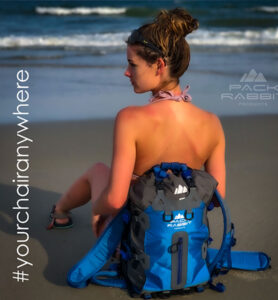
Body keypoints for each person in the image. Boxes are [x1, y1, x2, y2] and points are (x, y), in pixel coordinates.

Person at [47, 8, 226, 238]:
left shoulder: (130, 119)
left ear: (159, 66)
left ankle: (60, 212)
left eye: (132, 64)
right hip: (184, 243)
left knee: (99, 171)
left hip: (134, 244)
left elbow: (114, 200)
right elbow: (217, 197)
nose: (126, 72)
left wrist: (97, 209)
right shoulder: (212, 124)